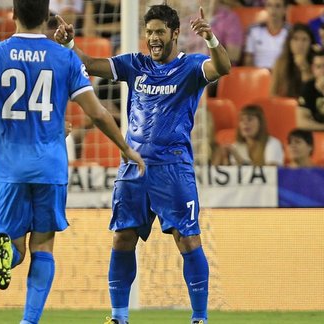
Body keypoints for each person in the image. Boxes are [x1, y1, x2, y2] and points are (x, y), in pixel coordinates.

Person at [0, 1, 145, 323]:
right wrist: (125, 148)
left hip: (8, 168)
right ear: (46, 17)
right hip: (50, 166)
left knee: (14, 247)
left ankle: (2, 252)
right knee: (43, 245)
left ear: (14, 15)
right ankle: (29, 321)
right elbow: (97, 112)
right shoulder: (64, 57)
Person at [55, 2, 231, 324]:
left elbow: (222, 68)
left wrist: (211, 40)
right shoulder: (134, 64)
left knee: (187, 238)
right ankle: (119, 317)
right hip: (133, 167)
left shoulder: (190, 67)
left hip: (173, 169)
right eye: (149, 32)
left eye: (159, 32)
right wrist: (68, 44)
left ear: (175, 34)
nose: (152, 38)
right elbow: (90, 64)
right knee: (122, 236)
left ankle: (200, 318)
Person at [271, 23, 315, 98]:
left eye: (304, 40)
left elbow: (313, 93)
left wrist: (304, 67)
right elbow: (273, 93)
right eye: (295, 39)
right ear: (289, 43)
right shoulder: (280, 62)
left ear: (311, 43)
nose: (300, 44)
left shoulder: (318, 62)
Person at [243, 0, 289, 69]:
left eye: (278, 6)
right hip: (258, 76)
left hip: (283, 75)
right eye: (269, 5)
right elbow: (249, 58)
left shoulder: (291, 32)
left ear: (285, 10)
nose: (273, 10)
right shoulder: (254, 30)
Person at [298, 50, 324, 131]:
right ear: (313, 69)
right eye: (319, 67)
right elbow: (301, 123)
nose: (323, 71)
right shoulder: (308, 88)